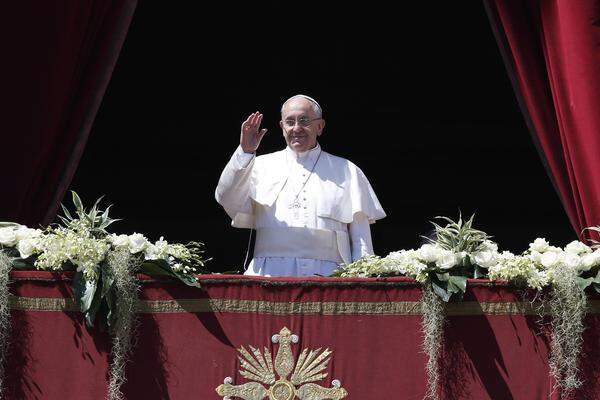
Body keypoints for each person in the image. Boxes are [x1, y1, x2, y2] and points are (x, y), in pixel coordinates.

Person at [215, 95, 386, 276]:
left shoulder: (347, 170)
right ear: (282, 127)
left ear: (320, 126)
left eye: (304, 120)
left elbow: (361, 238)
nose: (296, 128)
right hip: (269, 273)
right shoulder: (258, 165)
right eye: (290, 122)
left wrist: (363, 278)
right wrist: (245, 152)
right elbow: (227, 198)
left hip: (331, 276)